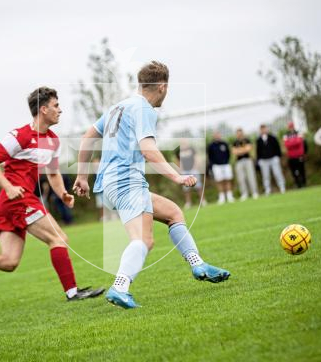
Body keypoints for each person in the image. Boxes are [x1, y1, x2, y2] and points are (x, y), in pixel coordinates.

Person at [73, 61, 230, 309]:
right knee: (143, 240)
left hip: (112, 183)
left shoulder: (117, 107)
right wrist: (177, 176)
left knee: (173, 213)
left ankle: (198, 264)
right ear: (163, 86)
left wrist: (82, 176)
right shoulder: (144, 109)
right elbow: (148, 150)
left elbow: (87, 138)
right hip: (126, 181)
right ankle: (120, 287)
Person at [0, 86, 104, 302]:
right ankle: (72, 292)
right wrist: (9, 187)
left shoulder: (53, 140)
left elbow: (52, 173)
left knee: (9, 262)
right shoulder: (20, 135)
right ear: (43, 110)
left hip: (13, 203)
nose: (60, 110)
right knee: (58, 238)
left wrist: (62, 194)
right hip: (17, 200)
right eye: (56, 106)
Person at [175, 140, 206, 208]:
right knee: (186, 188)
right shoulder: (178, 151)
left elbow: (197, 159)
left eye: (185, 142)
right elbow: (178, 161)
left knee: (198, 186)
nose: (184, 143)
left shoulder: (192, 149)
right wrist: (180, 171)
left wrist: (195, 168)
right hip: (184, 172)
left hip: (194, 170)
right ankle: (188, 203)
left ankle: (203, 201)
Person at [256, 124, 286, 195]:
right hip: (264, 160)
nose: (263, 130)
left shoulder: (272, 137)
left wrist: (278, 156)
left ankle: (282, 187)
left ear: (267, 129)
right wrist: (259, 160)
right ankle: (267, 189)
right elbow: (258, 151)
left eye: (264, 129)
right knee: (266, 176)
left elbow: (277, 148)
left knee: (277, 173)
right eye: (262, 129)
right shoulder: (259, 140)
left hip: (273, 158)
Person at [207, 131, 234, 204]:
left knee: (227, 179)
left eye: (218, 134)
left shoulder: (224, 143)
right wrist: (212, 165)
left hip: (226, 164)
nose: (217, 136)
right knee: (219, 181)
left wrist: (226, 161)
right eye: (216, 135)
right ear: (213, 136)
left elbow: (228, 154)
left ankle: (229, 196)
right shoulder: (211, 145)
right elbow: (210, 156)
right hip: (216, 166)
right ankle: (222, 197)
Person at [232, 129, 259, 201]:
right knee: (241, 178)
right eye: (238, 133)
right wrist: (243, 150)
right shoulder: (235, 142)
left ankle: (254, 192)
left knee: (251, 176)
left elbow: (248, 149)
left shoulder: (247, 140)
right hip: (239, 161)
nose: (239, 135)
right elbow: (234, 151)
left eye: (240, 133)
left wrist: (240, 150)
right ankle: (244, 193)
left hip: (247, 160)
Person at [283, 122, 307, 188]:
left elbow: (299, 142)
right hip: (291, 156)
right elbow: (287, 145)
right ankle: (298, 184)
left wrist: (291, 142)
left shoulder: (298, 132)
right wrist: (294, 141)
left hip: (299, 155)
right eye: (289, 126)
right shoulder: (286, 135)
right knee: (294, 171)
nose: (291, 127)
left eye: (292, 126)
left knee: (301, 170)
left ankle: (304, 183)